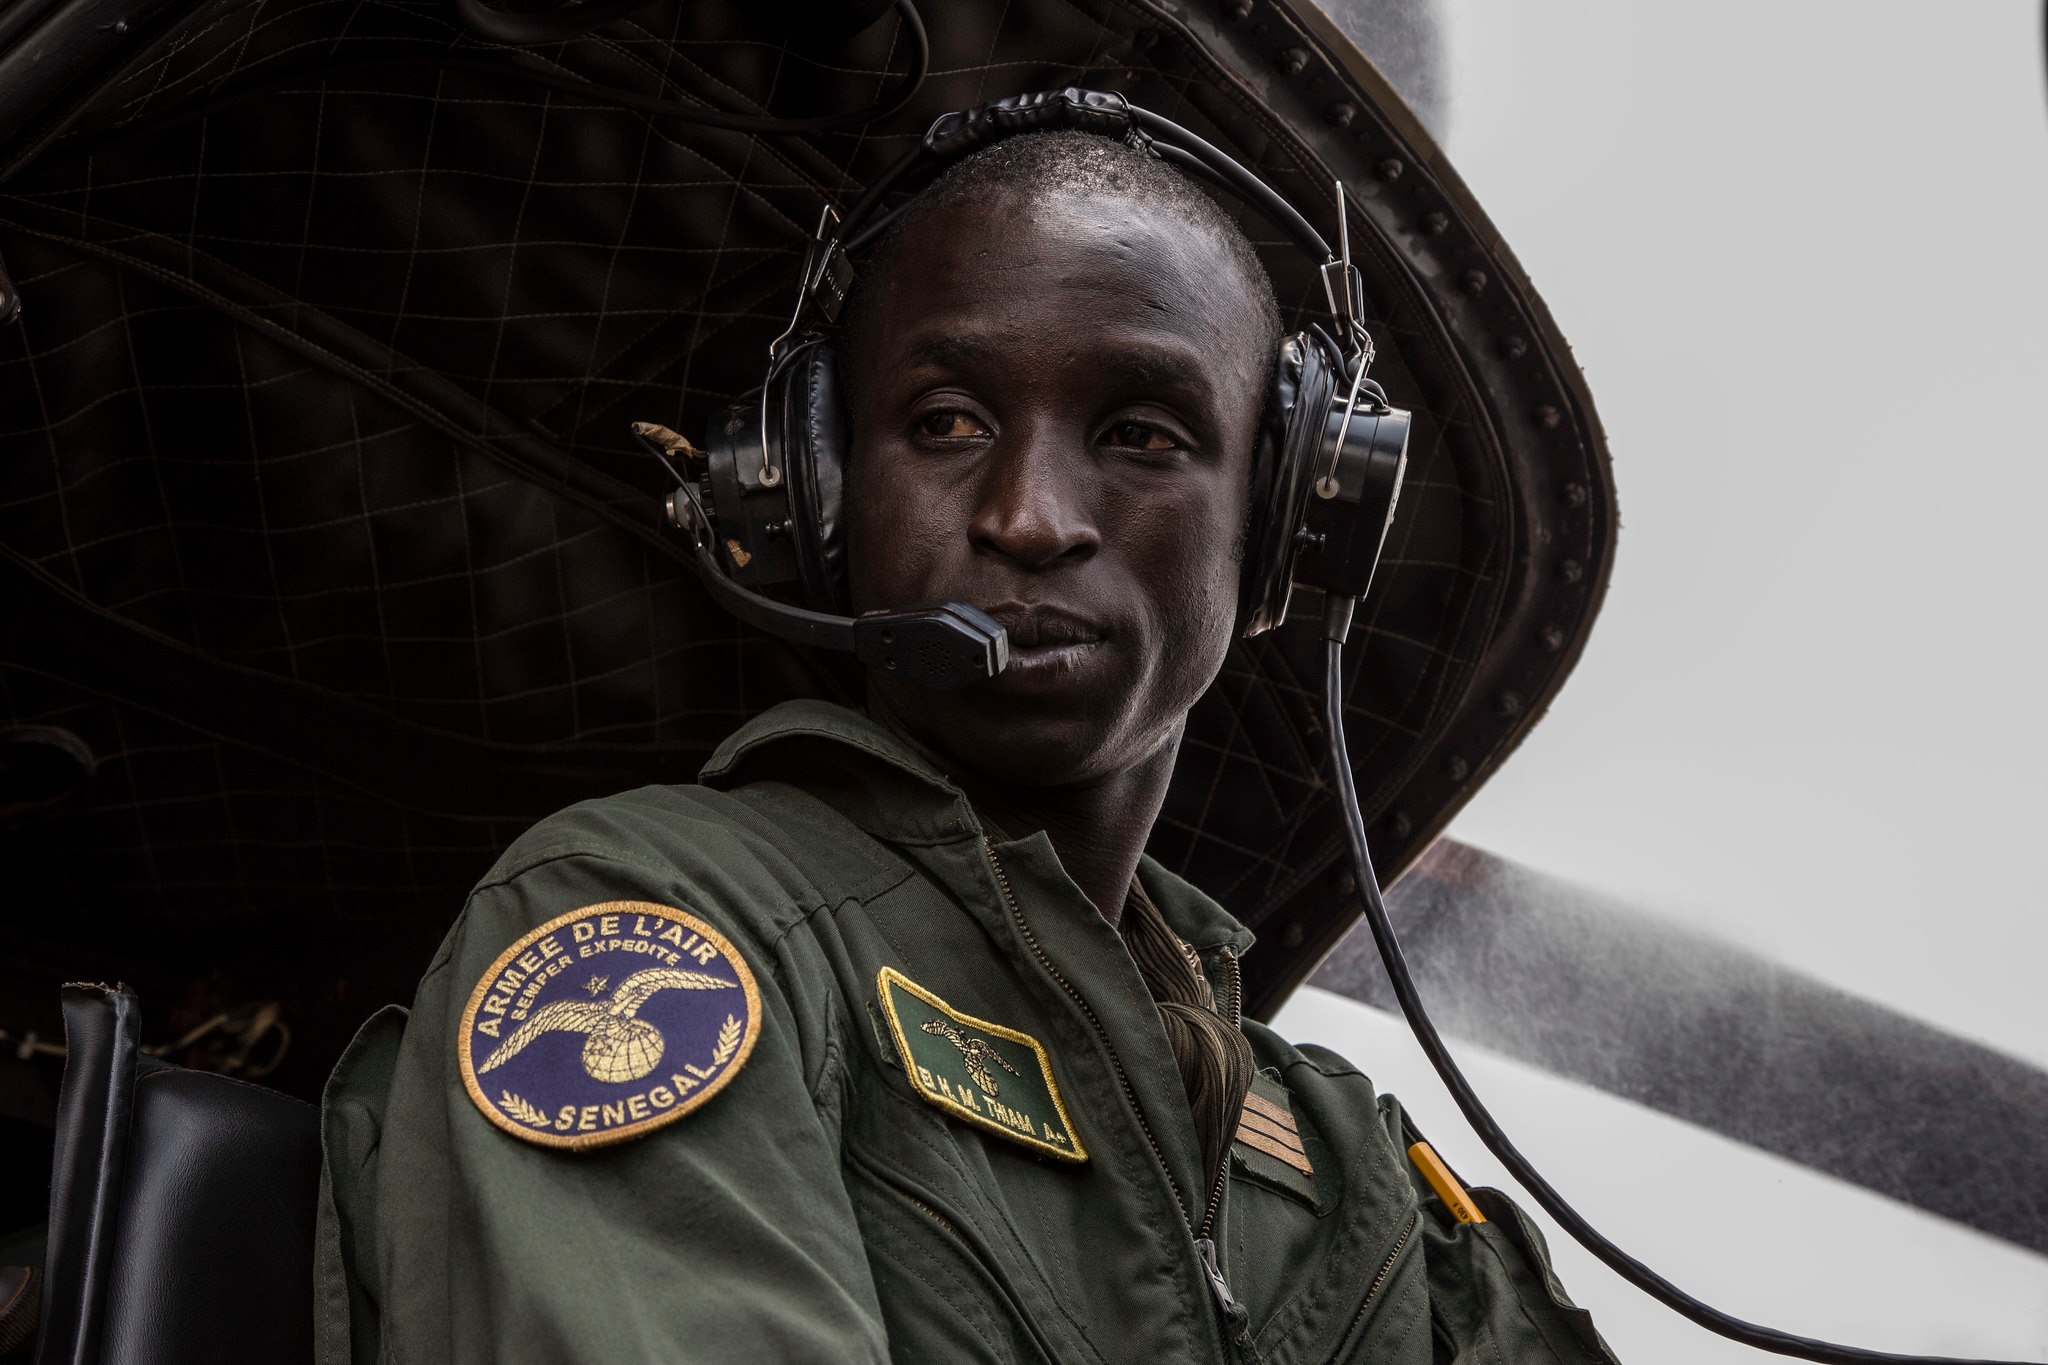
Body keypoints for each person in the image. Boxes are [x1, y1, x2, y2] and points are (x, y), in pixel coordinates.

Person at [315, 129, 1617, 1365]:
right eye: (945, 423)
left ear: (1282, 535)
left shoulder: (1358, 1178)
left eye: (1141, 435)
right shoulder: (655, 929)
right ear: (820, 500)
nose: (1031, 516)